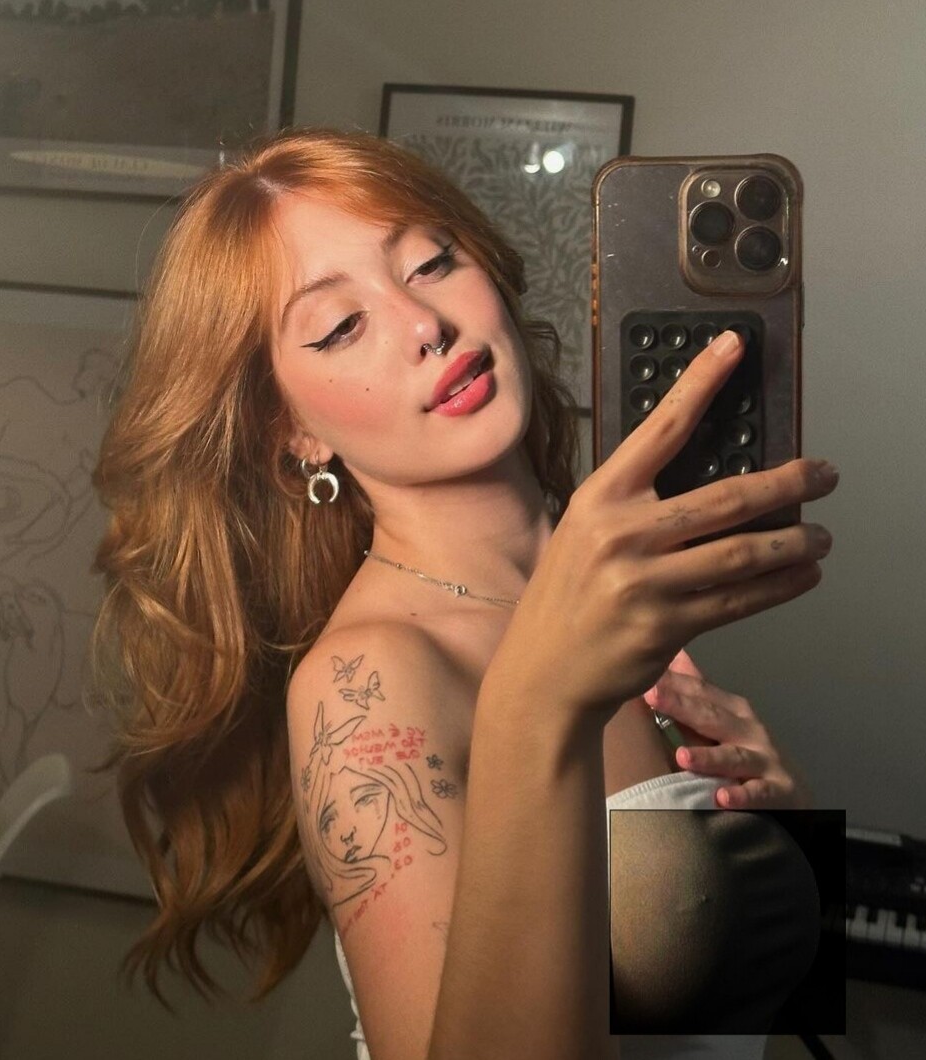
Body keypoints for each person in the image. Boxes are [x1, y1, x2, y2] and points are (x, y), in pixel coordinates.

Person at [90, 127, 839, 1060]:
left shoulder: (610, 606)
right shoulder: (368, 685)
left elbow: (714, 1013)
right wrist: (537, 704)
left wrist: (779, 841)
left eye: (432, 263)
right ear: (292, 431)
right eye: (341, 325)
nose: (422, 324)